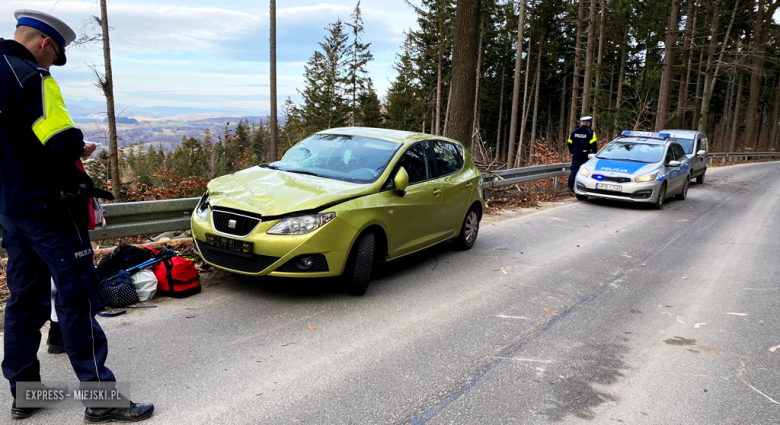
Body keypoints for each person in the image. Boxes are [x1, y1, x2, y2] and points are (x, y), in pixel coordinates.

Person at [0, 10, 154, 421]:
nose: (51, 65)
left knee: (24, 303)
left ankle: (25, 394)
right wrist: (77, 150)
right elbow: (60, 139)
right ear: (45, 44)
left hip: (11, 211)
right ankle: (101, 401)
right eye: (54, 56)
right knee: (76, 301)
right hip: (50, 212)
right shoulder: (32, 78)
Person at [567, 116, 598, 192]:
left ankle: (570, 186)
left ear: (581, 123)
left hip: (576, 154)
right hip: (585, 155)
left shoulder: (574, 132)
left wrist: (572, 151)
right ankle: (583, 188)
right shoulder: (590, 132)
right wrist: (593, 154)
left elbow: (569, 143)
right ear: (588, 123)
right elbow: (593, 145)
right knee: (585, 172)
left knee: (574, 170)